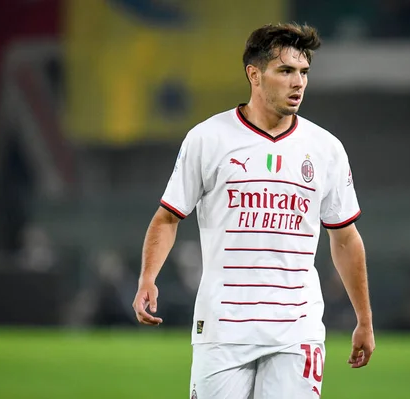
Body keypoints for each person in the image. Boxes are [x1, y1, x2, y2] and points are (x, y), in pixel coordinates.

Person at [132, 22, 375, 399]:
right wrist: (148, 276)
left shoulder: (326, 149)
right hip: (223, 328)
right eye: (286, 71)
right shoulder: (208, 138)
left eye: (304, 72)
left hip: (297, 330)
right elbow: (167, 217)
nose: (299, 83)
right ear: (254, 74)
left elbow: (344, 237)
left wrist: (364, 319)